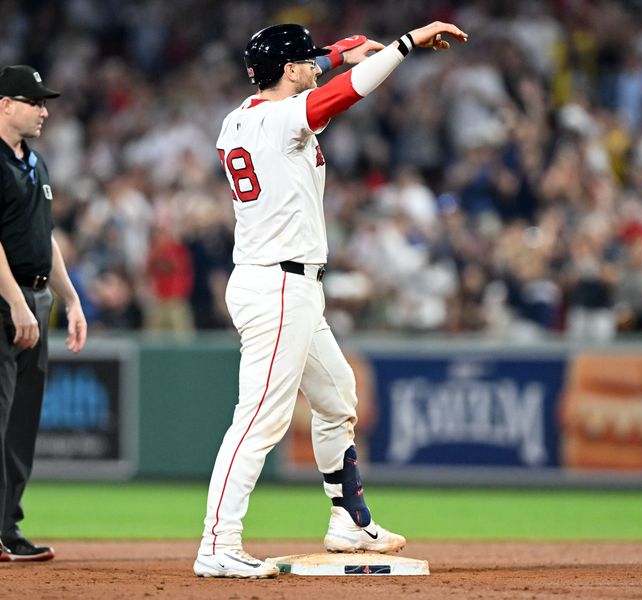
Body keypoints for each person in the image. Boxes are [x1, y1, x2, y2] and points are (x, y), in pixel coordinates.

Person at [194, 22, 468, 579]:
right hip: (276, 285)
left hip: (288, 284)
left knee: (339, 396)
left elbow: (319, 74)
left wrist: (340, 50)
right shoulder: (278, 118)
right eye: (307, 60)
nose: (317, 65)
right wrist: (405, 44)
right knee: (259, 421)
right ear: (289, 70)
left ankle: (348, 520)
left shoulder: (242, 115)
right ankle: (217, 544)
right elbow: (344, 92)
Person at [0, 65, 87, 561]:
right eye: (33, 101)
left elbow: (44, 238)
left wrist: (71, 299)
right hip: (6, 299)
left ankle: (7, 530)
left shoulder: (36, 163)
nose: (44, 110)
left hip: (36, 297)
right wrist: (15, 301)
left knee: (21, 423)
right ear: (5, 105)